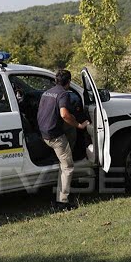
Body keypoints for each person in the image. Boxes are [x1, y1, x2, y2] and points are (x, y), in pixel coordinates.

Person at [37, 69, 90, 211]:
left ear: (56, 81)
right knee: (67, 166)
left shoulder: (47, 92)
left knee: (70, 129)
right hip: (55, 137)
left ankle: (66, 153)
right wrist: (80, 125)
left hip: (43, 133)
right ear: (69, 82)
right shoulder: (63, 94)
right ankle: (62, 202)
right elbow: (64, 114)